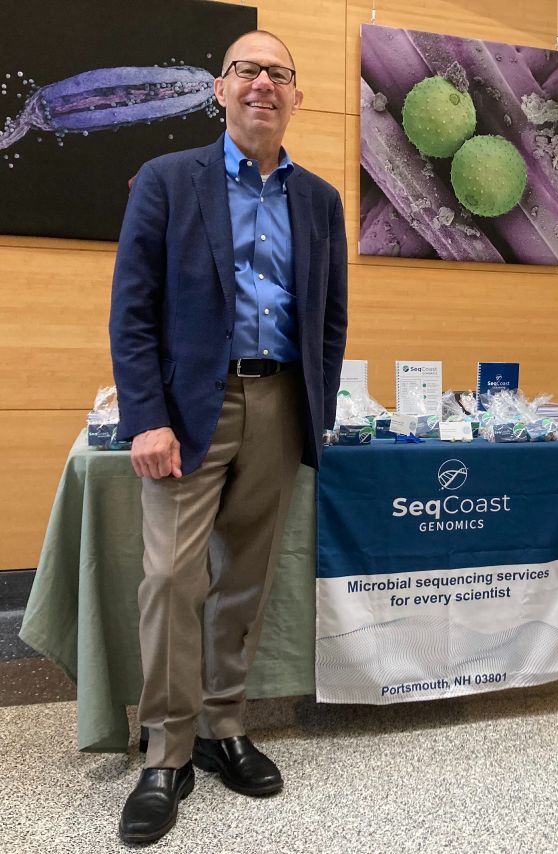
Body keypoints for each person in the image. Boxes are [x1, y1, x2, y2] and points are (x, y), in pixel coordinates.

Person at [109, 30, 347, 844]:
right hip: (186, 411)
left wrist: (320, 410)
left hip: (280, 405)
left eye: (279, 75)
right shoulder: (169, 183)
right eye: (248, 71)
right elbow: (132, 312)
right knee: (173, 579)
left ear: (296, 96)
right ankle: (165, 753)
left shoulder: (319, 200)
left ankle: (221, 727)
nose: (262, 86)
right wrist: (145, 415)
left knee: (245, 577)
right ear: (220, 88)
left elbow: (329, 321)